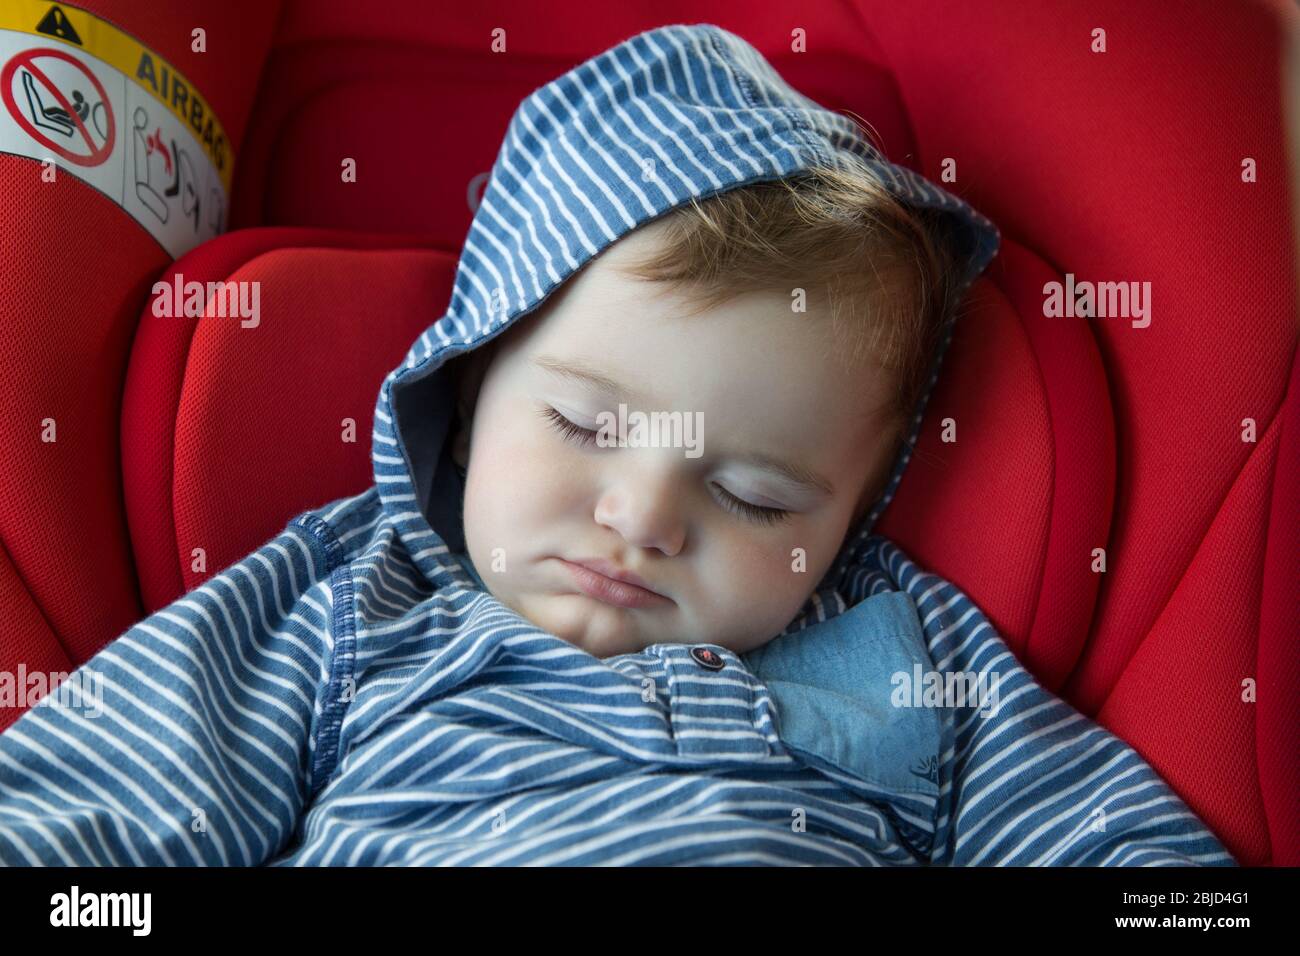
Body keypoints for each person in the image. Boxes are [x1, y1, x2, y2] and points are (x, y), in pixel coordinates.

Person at [0, 23, 1234, 867]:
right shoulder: (349, 603)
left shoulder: (896, 644)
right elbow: (87, 812)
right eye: (588, 425)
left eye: (756, 496)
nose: (642, 515)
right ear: (471, 381)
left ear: (853, 512)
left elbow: (1115, 849)